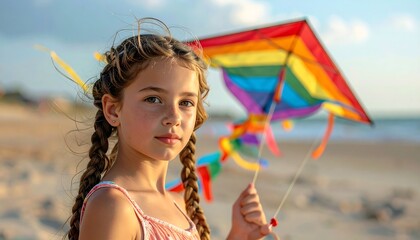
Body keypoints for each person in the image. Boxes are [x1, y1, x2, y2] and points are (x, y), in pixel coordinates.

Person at [67, 18, 274, 240]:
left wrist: (239, 237)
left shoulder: (181, 204)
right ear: (113, 110)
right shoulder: (113, 206)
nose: (174, 117)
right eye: (153, 99)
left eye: (186, 103)